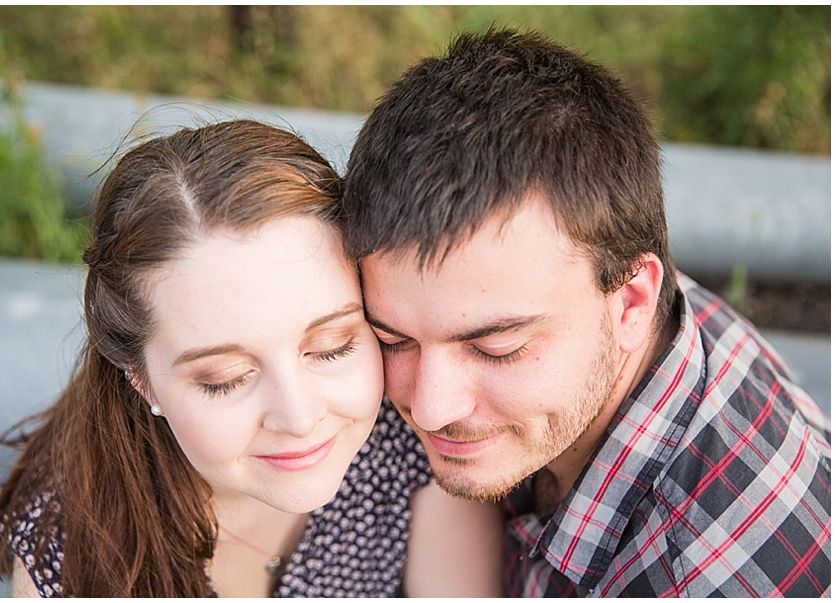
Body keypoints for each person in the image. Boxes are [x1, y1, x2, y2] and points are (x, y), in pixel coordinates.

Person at [341, 28, 831, 597]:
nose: (428, 408)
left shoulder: (702, 579)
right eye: (393, 340)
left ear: (633, 303)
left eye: (496, 347)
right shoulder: (588, 281)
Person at [0, 119, 504, 597]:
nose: (299, 418)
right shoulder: (75, 547)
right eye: (226, 379)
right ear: (141, 380)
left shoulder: (419, 444)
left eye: (332, 347)